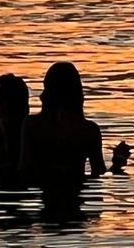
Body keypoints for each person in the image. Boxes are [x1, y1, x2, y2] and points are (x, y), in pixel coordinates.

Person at [19, 62, 106, 191]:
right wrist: (117, 164)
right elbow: (98, 174)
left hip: (46, 200)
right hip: (76, 200)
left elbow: (24, 171)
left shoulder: (33, 125)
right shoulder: (89, 130)